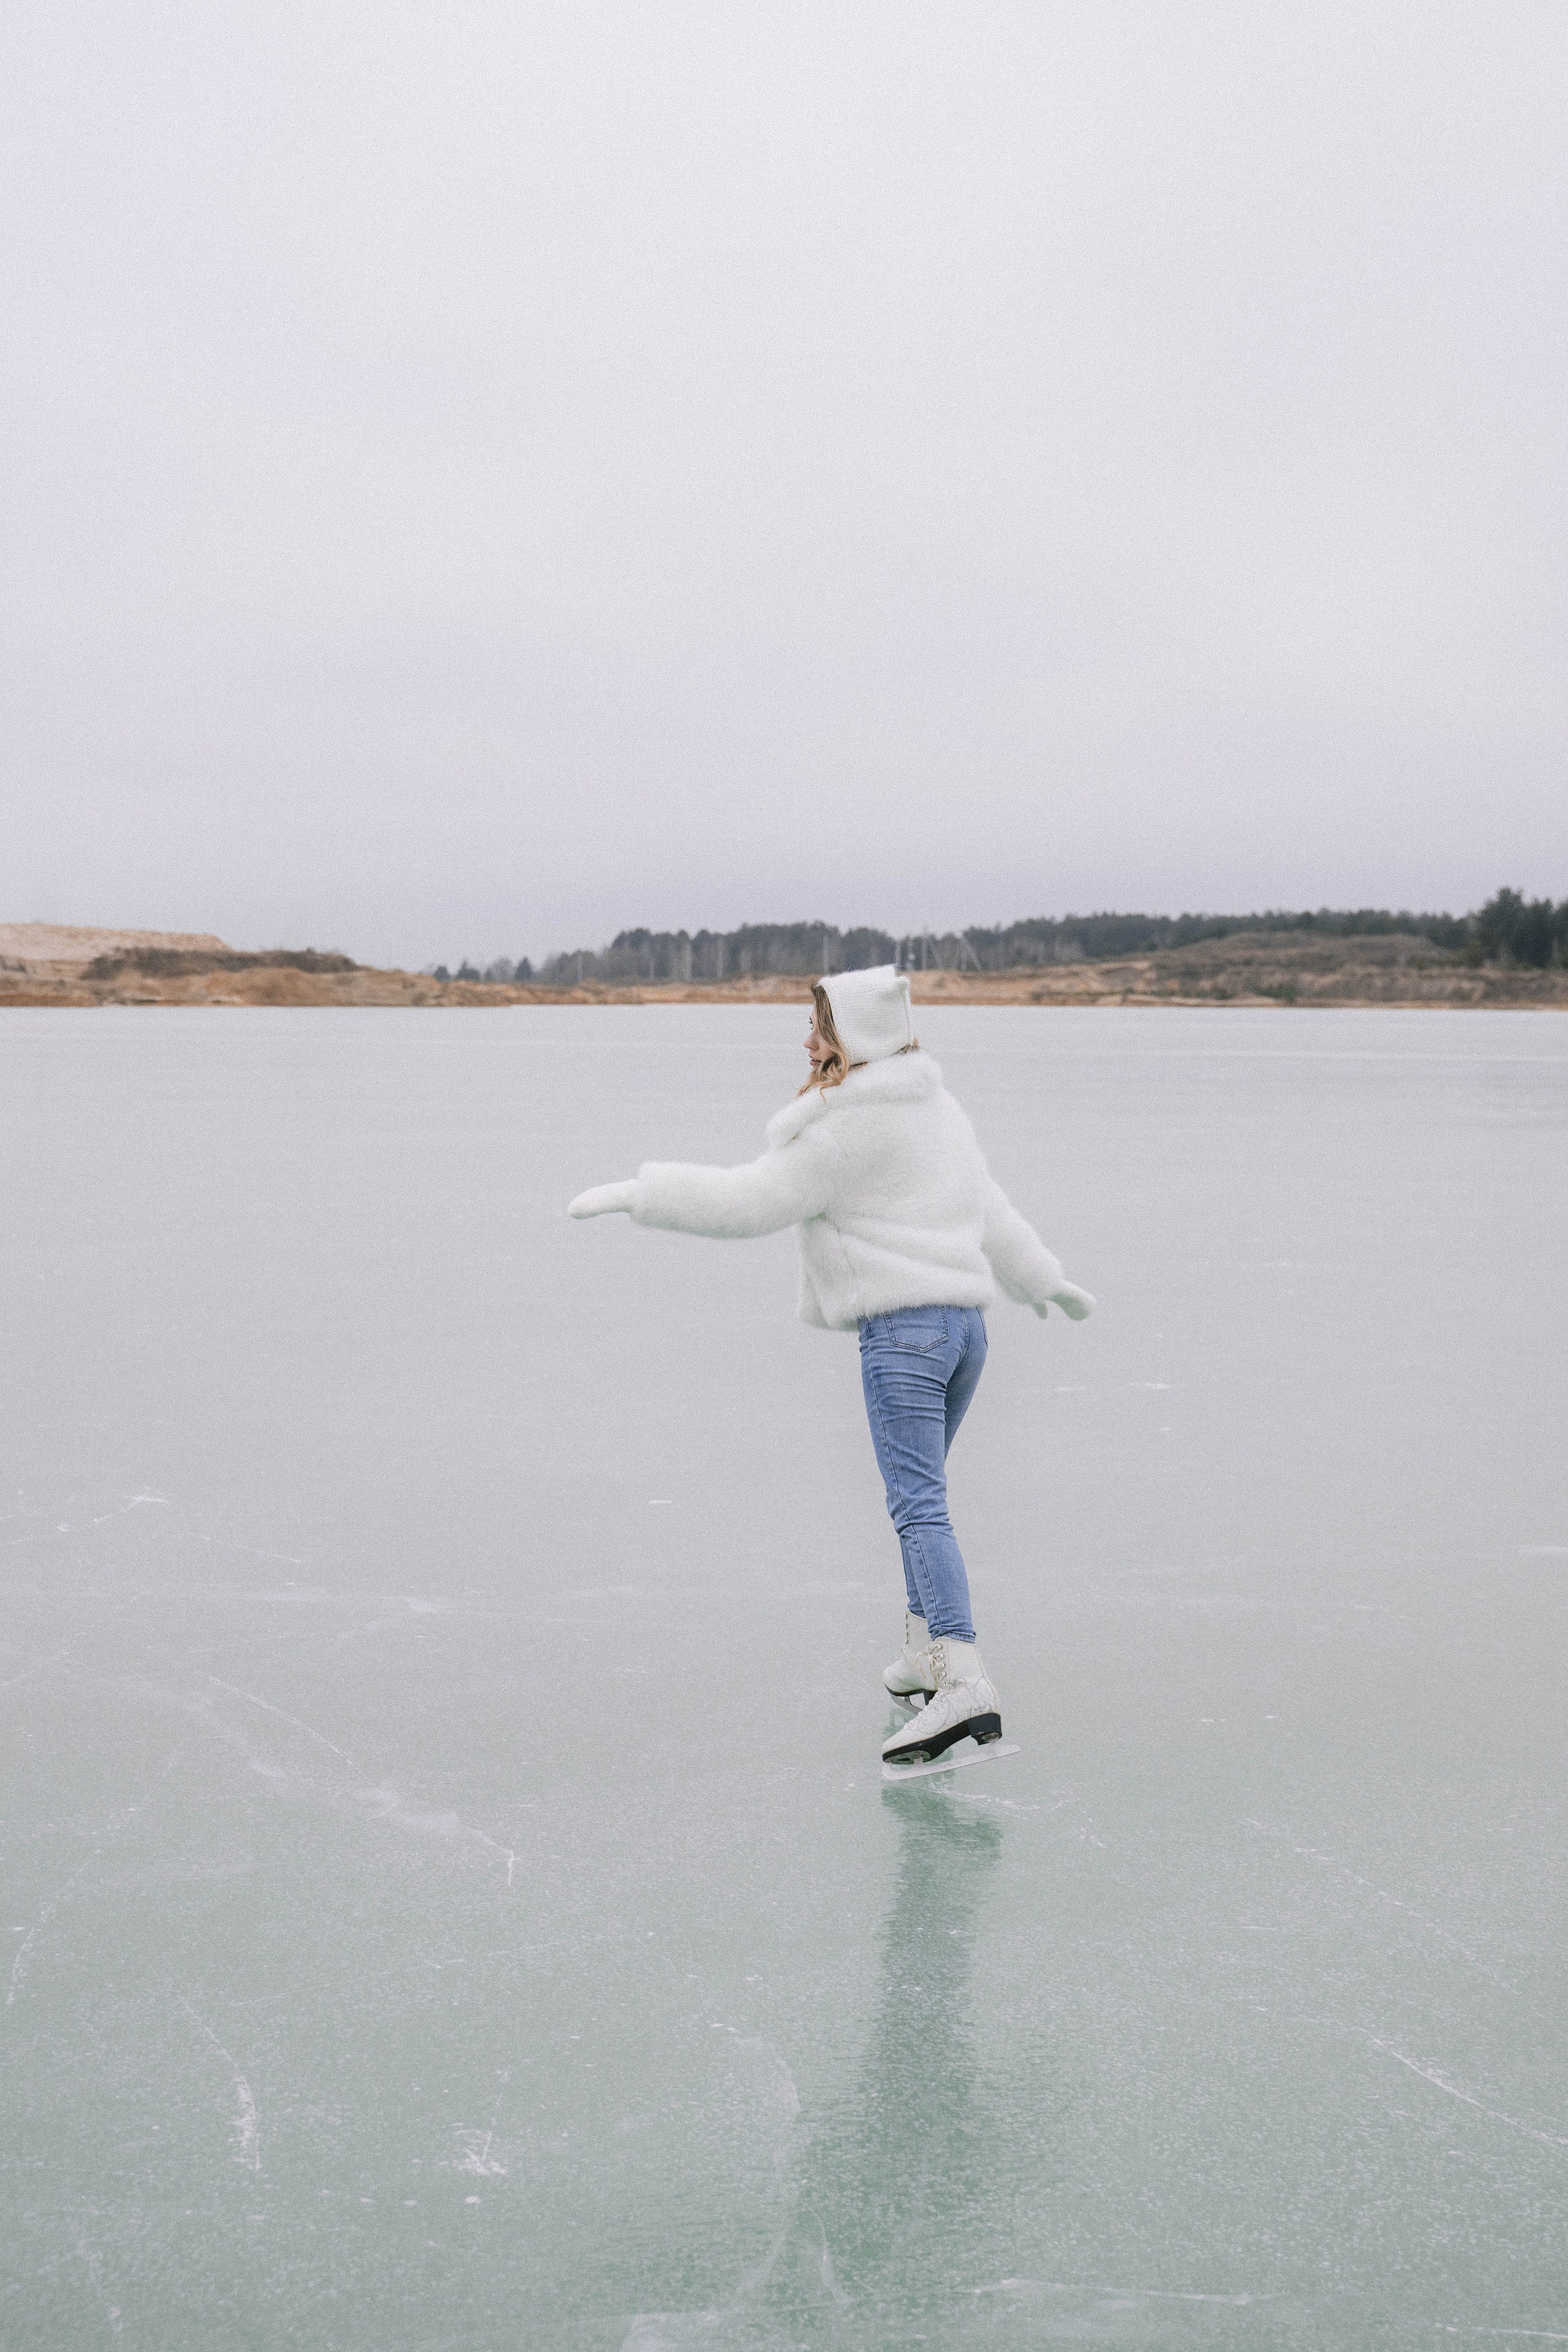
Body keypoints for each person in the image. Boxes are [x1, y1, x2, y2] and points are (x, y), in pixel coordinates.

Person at [568, 965, 1093, 1766]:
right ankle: (927, 1655)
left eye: (822, 1028)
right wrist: (1042, 1277)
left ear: (858, 1040)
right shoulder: (935, 1109)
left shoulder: (849, 1128)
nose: (808, 1041)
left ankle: (964, 1681)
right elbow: (987, 1205)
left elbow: (752, 1201)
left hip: (904, 1337)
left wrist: (640, 1195)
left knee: (918, 1505)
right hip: (964, 1333)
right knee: (922, 1500)